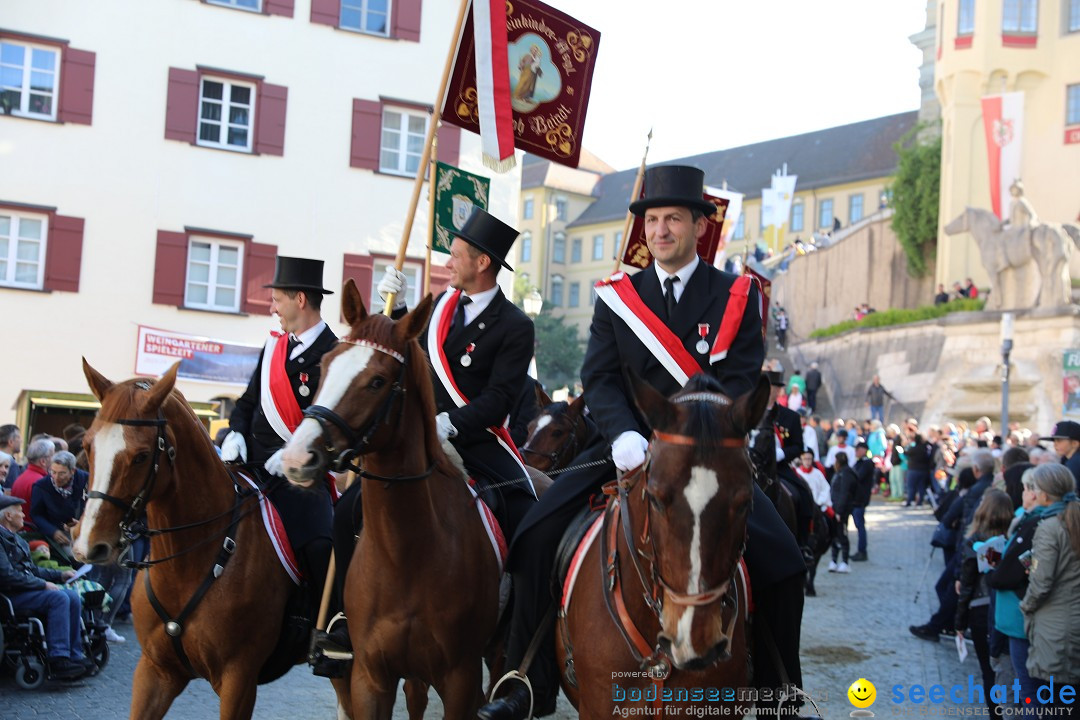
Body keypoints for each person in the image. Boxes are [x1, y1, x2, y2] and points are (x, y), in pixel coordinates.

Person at [477, 166, 807, 720]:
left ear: (700, 226)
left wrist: (689, 439)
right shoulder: (617, 298)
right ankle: (525, 679)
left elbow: (742, 381)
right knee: (534, 537)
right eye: (652, 220)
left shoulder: (736, 295)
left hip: (708, 458)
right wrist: (627, 433)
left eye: (673, 218)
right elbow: (600, 378)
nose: (660, 230)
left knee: (783, 562)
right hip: (623, 447)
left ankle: (781, 688)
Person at [330, 208, 538, 664]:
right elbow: (413, 353)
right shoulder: (440, 307)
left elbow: (502, 396)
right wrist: (398, 309)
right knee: (346, 513)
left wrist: (454, 422)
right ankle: (344, 620)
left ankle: (520, 650)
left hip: (480, 441)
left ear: (483, 263)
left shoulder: (516, 325)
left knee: (531, 525)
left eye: (457, 254)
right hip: (419, 441)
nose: (448, 261)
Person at [222, 256, 338, 665]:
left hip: (302, 476)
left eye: (277, 299)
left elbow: (333, 427)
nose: (272, 307)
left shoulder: (335, 353)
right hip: (251, 465)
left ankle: (331, 628)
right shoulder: (274, 346)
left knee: (323, 542)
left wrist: (298, 457)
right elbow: (248, 402)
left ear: (300, 299)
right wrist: (234, 431)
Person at [0, 494, 95, 679]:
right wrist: (43, 584)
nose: (23, 516)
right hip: (11, 596)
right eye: (19, 512)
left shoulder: (18, 539)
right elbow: (6, 576)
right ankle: (58, 658)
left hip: (26, 590)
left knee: (72, 596)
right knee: (58, 597)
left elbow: (32, 569)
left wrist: (59, 575)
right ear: (8, 516)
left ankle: (75, 654)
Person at [1019, 464, 1080, 711]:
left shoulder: (1050, 527)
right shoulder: (1071, 518)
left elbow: (1041, 582)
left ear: (1045, 494)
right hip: (1071, 620)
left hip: (1057, 625)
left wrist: (1026, 606)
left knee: (1056, 703)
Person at [988, 467, 1046, 707]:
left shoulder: (1036, 522)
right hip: (1017, 617)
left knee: (1026, 693)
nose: (1021, 493)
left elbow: (1014, 573)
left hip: (1020, 618)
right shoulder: (1028, 518)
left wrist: (995, 573)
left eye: (1025, 488)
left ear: (1034, 492)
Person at [955, 489, 1013, 719]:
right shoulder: (1013, 538)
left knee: (990, 672)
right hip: (1005, 608)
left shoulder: (976, 543)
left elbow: (967, 586)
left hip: (981, 609)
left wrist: (959, 622)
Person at [29, 451, 87, 559]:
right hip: (57, 534)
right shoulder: (41, 486)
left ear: (72, 471)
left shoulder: (86, 480)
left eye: (62, 473)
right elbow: (36, 514)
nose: (56, 477)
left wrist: (81, 523)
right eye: (53, 472)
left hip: (84, 533)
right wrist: (53, 531)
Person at [9, 437, 56, 518]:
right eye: (53, 455)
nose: (55, 459)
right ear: (43, 461)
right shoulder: (40, 481)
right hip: (33, 529)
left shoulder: (25, 476)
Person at [829, 452, 856, 573]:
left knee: (842, 535)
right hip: (835, 509)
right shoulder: (840, 473)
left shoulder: (846, 474)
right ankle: (834, 560)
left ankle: (845, 561)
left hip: (841, 511)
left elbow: (844, 493)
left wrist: (839, 511)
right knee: (835, 536)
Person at [850, 442, 875, 561]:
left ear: (863, 450)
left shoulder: (867, 463)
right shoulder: (860, 462)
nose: (856, 452)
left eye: (858, 449)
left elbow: (857, 477)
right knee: (859, 524)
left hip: (860, 499)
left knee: (860, 525)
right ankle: (861, 550)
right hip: (856, 499)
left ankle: (862, 550)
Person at [1046, 420, 1080, 489]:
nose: (1055, 444)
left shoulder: (1075, 463)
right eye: (1054, 441)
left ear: (1075, 443)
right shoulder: (1068, 460)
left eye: (1059, 440)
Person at [0, 423, 23, 489]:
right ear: (10, 442)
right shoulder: (11, 465)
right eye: (18, 437)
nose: (21, 441)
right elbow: (12, 492)